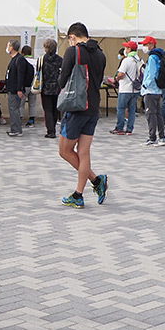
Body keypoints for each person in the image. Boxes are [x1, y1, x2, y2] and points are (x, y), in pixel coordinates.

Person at [57, 22, 108, 209]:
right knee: (83, 152)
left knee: (64, 151)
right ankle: (84, 190)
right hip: (93, 107)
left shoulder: (73, 51)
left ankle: (91, 185)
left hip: (76, 107)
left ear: (72, 37)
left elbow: (63, 80)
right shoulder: (101, 54)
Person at [139, 35, 165, 146]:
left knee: (151, 114)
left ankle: (152, 137)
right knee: (158, 114)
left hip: (150, 90)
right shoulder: (159, 56)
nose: (144, 47)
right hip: (158, 90)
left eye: (145, 44)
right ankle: (161, 137)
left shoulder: (152, 58)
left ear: (151, 45)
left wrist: (145, 85)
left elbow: (151, 74)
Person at [111, 41, 142, 136]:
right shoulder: (139, 60)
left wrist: (116, 79)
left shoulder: (127, 60)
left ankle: (119, 128)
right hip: (136, 88)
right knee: (132, 110)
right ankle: (129, 129)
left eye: (126, 48)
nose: (125, 50)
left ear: (129, 49)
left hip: (125, 88)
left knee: (121, 108)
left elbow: (121, 74)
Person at [4, 39, 31, 137]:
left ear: (11, 48)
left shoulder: (19, 59)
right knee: (13, 109)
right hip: (11, 88)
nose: (7, 48)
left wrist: (19, 89)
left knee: (14, 109)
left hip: (15, 89)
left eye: (8, 46)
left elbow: (20, 75)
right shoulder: (14, 59)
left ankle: (16, 129)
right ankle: (14, 128)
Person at [39, 38, 63, 138]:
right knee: (55, 109)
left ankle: (50, 131)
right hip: (57, 87)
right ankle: (53, 128)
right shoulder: (60, 59)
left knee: (47, 110)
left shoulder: (42, 60)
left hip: (45, 88)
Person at [21, 45, 39, 127]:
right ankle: (32, 119)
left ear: (23, 53)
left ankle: (19, 118)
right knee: (32, 103)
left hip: (25, 85)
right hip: (34, 85)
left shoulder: (23, 61)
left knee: (21, 103)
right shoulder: (36, 61)